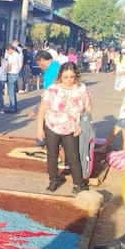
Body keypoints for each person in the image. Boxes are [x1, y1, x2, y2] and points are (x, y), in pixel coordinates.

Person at [36, 62, 92, 194]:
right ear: (60, 76)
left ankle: (78, 183)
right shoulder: (52, 89)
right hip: (52, 125)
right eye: (65, 77)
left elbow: (88, 108)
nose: (68, 80)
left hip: (72, 127)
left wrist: (83, 124)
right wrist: (39, 128)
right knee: (52, 154)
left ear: (76, 76)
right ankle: (53, 179)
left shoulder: (82, 89)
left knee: (73, 155)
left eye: (71, 77)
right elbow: (42, 109)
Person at [5, 43, 23, 112]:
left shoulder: (11, 57)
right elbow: (21, 64)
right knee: (13, 91)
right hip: (17, 73)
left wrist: (5, 73)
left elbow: (9, 67)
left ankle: (12, 108)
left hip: (11, 74)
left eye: (7, 51)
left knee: (11, 92)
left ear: (10, 49)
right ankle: (14, 106)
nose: (8, 52)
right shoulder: (18, 55)